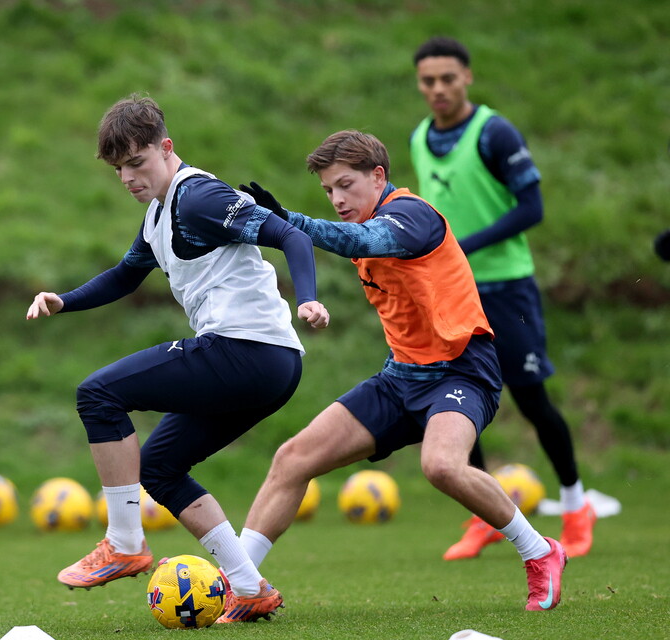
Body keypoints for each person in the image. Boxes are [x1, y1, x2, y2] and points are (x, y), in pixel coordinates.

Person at [25, 94, 328, 623]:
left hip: (248, 350)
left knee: (98, 394)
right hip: (267, 365)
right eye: (119, 169)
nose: (129, 177)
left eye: (137, 162)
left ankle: (123, 542)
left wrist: (307, 296)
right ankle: (248, 586)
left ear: (167, 149)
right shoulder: (159, 212)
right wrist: (64, 300)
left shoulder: (199, 198)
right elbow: (124, 275)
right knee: (160, 468)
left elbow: (289, 234)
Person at [238, 129, 566, 611]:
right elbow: (350, 237)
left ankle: (541, 552)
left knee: (441, 466)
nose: (337, 198)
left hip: (461, 370)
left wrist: (288, 220)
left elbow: (359, 237)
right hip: (401, 378)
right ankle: (243, 585)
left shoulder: (411, 217)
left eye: (346, 184)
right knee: (293, 458)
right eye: (328, 190)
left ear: (378, 176)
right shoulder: (367, 223)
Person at [409, 36, 596, 560]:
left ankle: (576, 507)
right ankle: (484, 516)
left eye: (448, 78)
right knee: (459, 399)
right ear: (419, 84)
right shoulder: (421, 136)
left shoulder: (494, 131)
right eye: (428, 81)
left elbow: (531, 207)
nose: (439, 89)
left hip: (507, 287)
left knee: (531, 398)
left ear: (467, 77)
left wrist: (464, 247)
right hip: (453, 293)